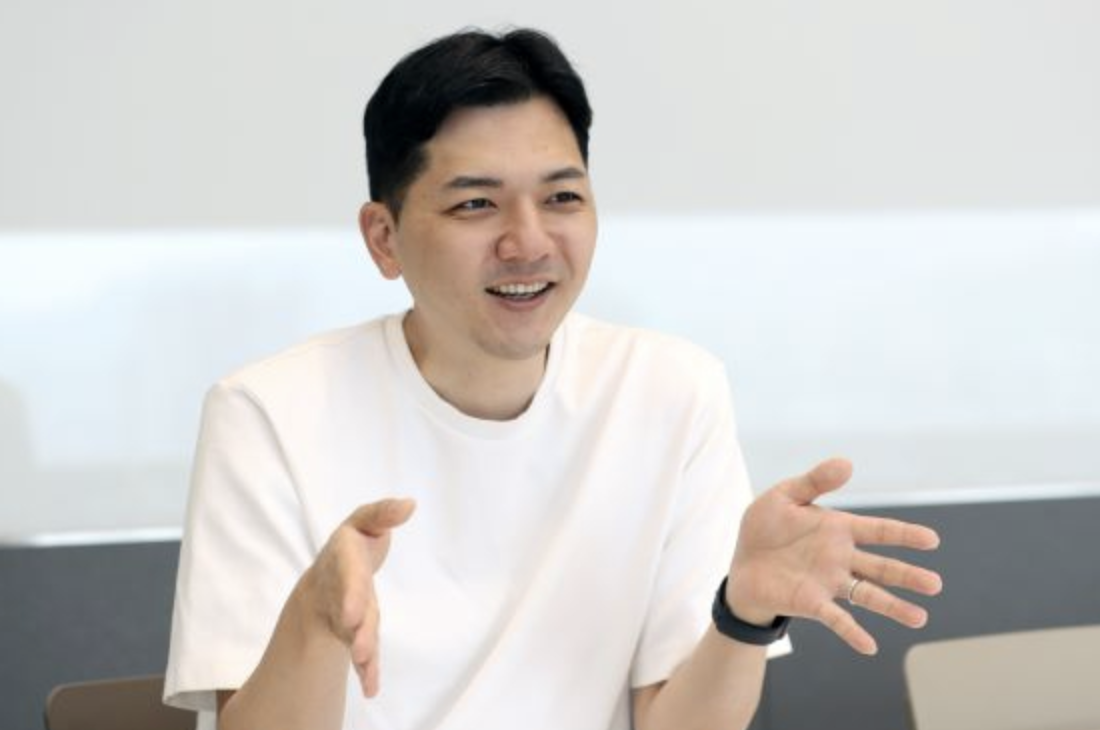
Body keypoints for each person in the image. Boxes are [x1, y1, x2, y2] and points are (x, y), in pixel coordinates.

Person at [164, 27, 942, 730]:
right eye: (476, 204)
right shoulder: (266, 413)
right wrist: (314, 619)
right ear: (384, 237)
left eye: (562, 197)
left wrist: (740, 615)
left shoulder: (672, 390)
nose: (528, 241)